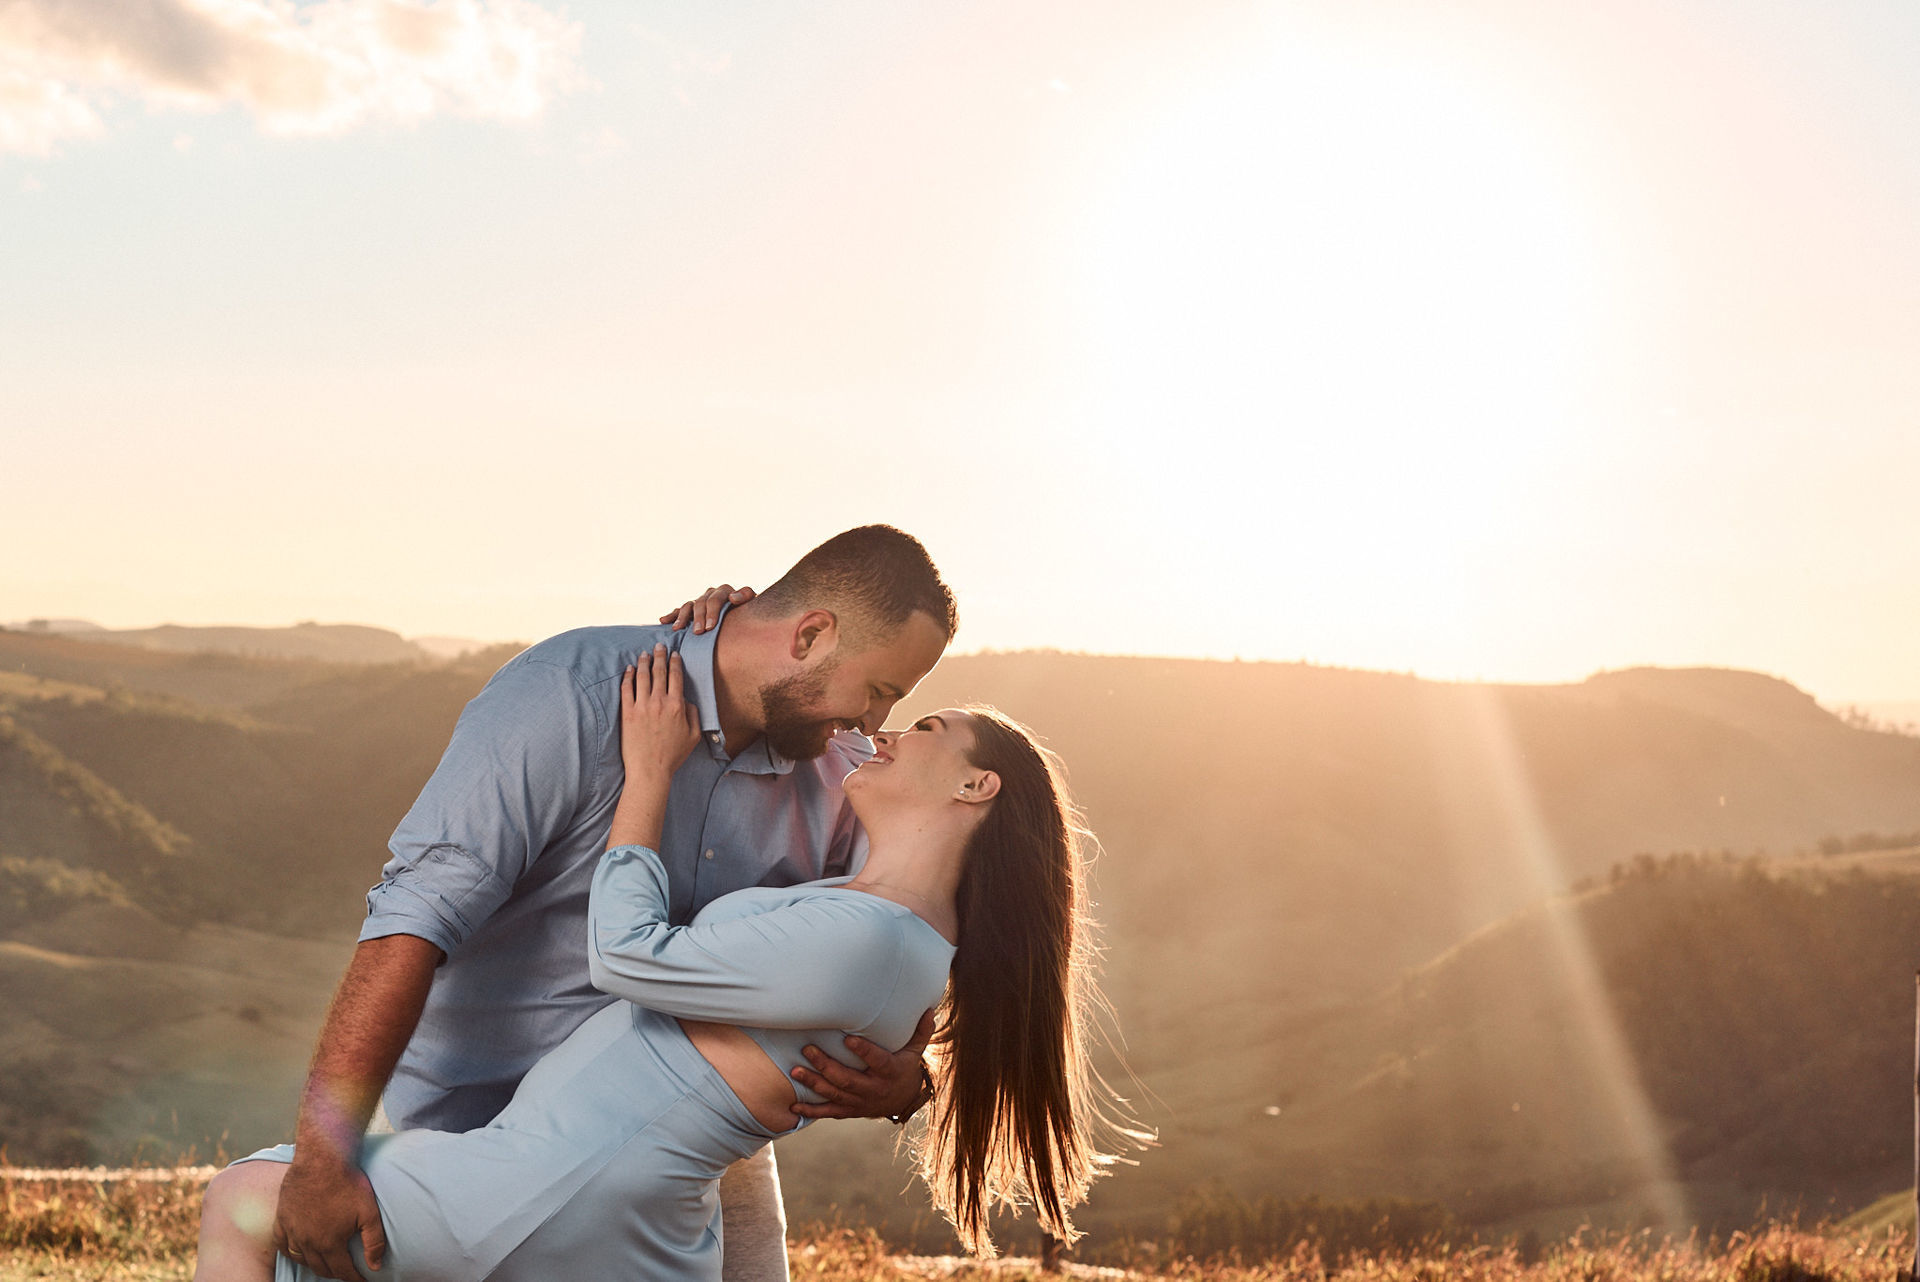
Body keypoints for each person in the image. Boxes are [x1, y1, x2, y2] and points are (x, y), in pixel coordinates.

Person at [196, 644, 1125, 1280]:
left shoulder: (871, 936)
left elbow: (628, 953)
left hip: (563, 1179)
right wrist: (721, 642)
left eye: (919, 724)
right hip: (603, 1184)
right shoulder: (887, 919)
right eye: (883, 698)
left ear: (976, 784)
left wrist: (649, 774)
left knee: (244, 1198)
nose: (882, 728)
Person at [266, 526, 958, 1282]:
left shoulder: (844, 775)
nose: (869, 722)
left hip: (695, 1143)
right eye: (880, 690)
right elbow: (412, 920)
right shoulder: (569, 694)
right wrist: (321, 1160)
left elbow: (905, 931)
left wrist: (909, 1077)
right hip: (485, 1128)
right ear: (811, 634)